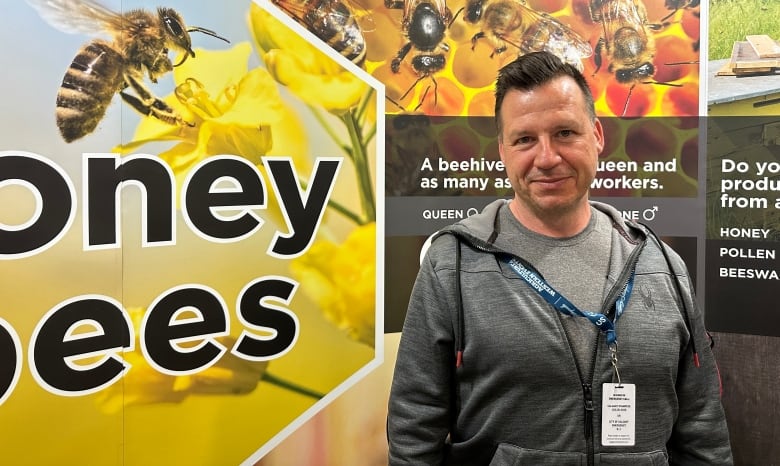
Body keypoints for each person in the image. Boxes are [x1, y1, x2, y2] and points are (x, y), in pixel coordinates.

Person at [386, 51, 733, 465]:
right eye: (525, 139)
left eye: (565, 133)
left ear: (598, 136)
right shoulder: (454, 264)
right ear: (502, 150)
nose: (547, 158)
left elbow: (702, 428)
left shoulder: (660, 263)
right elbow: (413, 428)